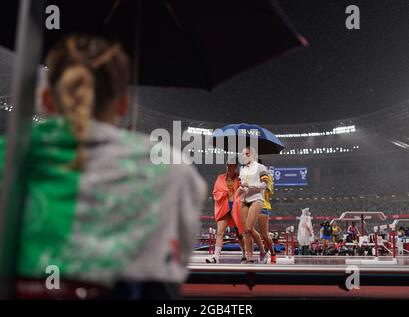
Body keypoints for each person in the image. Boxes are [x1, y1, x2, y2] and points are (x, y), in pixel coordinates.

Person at [6, 35, 207, 300]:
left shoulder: (9, 158)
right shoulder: (171, 169)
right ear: (124, 105)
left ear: (46, 99)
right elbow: (171, 271)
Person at [206, 158, 245, 264]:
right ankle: (216, 256)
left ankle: (244, 255)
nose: (228, 167)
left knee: (239, 233)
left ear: (235, 166)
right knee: (220, 233)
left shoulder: (240, 178)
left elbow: (244, 190)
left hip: (237, 207)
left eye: (231, 165)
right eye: (227, 165)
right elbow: (215, 192)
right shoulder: (220, 178)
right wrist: (224, 193)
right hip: (224, 206)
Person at [238, 146, 268, 264]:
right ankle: (250, 257)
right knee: (245, 231)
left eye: (246, 154)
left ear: (252, 155)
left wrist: (253, 187)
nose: (244, 156)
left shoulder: (261, 167)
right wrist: (240, 188)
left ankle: (263, 251)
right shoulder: (243, 169)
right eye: (243, 154)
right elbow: (242, 184)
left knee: (249, 228)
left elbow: (265, 184)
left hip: (256, 198)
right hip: (244, 200)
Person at [257, 162, 277, 263]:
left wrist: (261, 183)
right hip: (248, 205)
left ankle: (272, 253)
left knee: (264, 234)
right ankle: (262, 252)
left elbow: (269, 191)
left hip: (262, 205)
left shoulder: (267, 176)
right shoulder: (248, 174)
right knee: (249, 231)